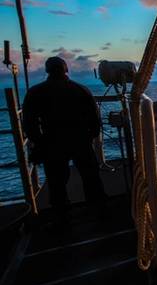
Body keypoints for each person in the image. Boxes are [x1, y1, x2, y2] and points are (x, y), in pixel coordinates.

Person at [22, 57, 106, 225]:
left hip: (52, 143)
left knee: (56, 183)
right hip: (80, 141)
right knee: (91, 177)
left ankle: (62, 218)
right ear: (66, 70)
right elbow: (95, 120)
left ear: (47, 71)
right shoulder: (81, 90)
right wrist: (89, 137)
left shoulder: (36, 92)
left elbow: (29, 124)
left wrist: (40, 142)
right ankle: (99, 213)